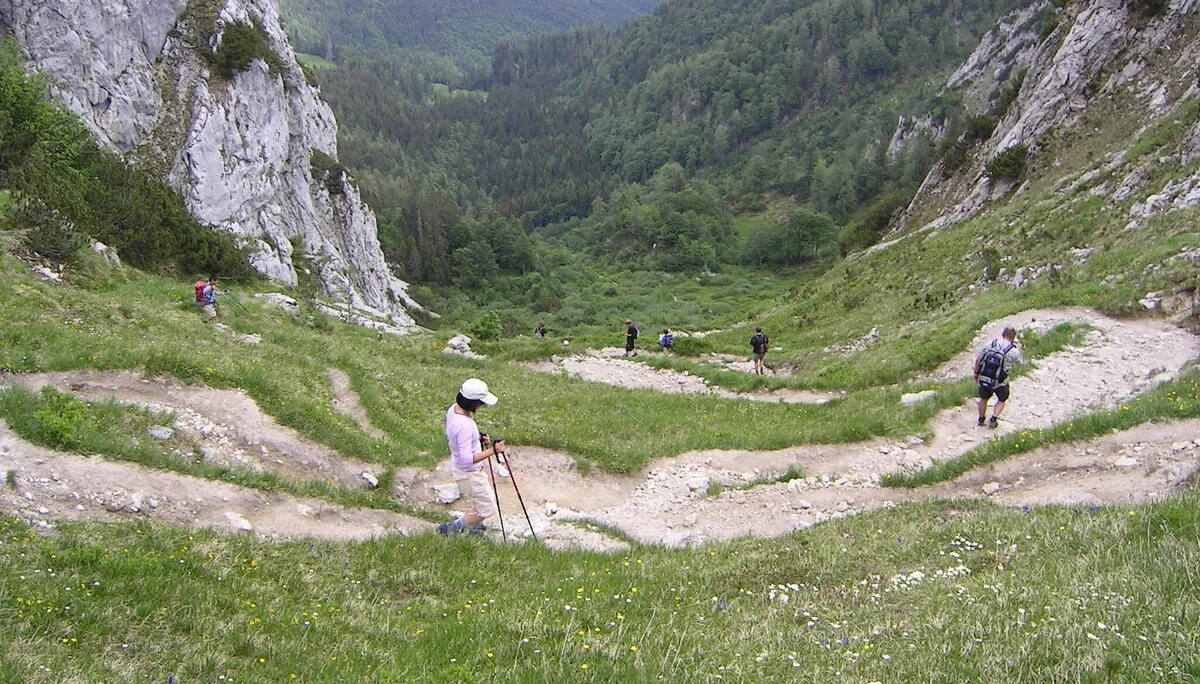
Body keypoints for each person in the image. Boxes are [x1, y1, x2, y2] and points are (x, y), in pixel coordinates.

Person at [439, 378, 505, 536]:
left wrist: (478, 438)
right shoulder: (465, 426)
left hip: (463, 471)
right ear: (472, 403)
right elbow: (466, 459)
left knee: (479, 503)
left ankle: (475, 531)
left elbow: (459, 438)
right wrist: (493, 450)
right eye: (481, 403)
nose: (482, 406)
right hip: (470, 474)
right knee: (487, 510)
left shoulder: (454, 410)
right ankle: (452, 529)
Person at [974, 326, 1024, 428]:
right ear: (1013, 337)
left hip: (985, 378)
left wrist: (976, 373)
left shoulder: (991, 344)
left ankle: (981, 419)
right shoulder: (1013, 351)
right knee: (1001, 399)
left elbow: (978, 359)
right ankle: (993, 419)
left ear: (1003, 334)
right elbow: (1020, 363)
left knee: (983, 399)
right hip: (1001, 381)